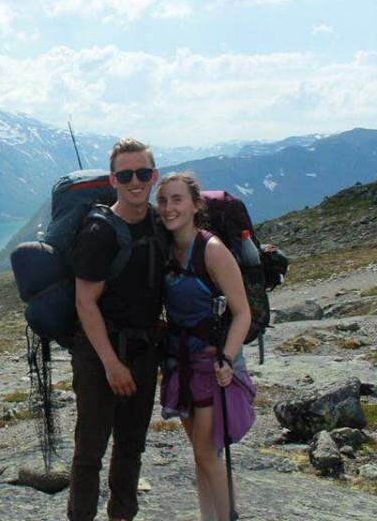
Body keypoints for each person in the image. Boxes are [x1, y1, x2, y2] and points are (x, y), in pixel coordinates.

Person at [69, 137, 166, 521]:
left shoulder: (159, 223)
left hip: (143, 352)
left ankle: (122, 516)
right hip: (99, 356)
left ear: (154, 175)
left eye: (142, 173)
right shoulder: (100, 231)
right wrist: (111, 363)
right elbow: (84, 301)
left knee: (130, 448)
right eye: (125, 175)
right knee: (90, 453)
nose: (135, 181)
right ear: (113, 180)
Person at [155, 172, 256, 521]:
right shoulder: (167, 248)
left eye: (177, 199)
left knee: (205, 451)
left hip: (212, 364)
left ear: (196, 205)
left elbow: (242, 312)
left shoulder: (212, 250)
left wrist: (228, 358)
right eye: (163, 200)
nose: (169, 208)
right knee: (200, 454)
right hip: (180, 362)